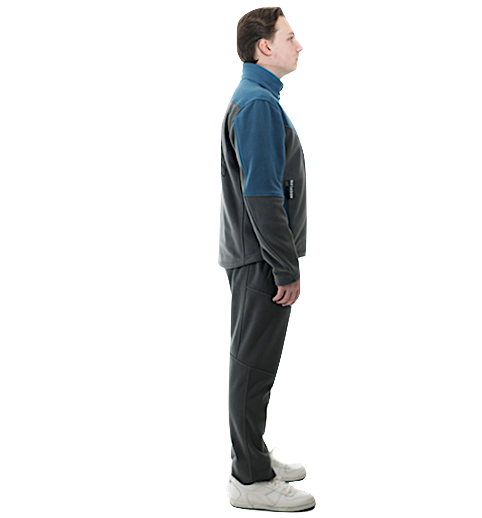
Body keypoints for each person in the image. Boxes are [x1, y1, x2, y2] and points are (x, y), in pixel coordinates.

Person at [219, 7, 314, 512]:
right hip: (262, 262)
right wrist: (285, 267)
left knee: (255, 366)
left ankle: (254, 458)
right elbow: (262, 196)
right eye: (291, 37)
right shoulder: (257, 104)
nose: (299, 45)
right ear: (265, 47)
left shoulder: (260, 99)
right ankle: (250, 480)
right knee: (252, 369)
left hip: (258, 258)